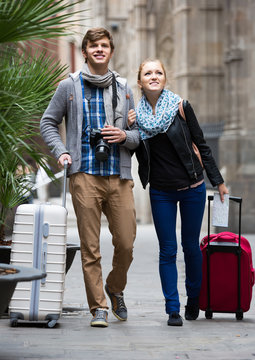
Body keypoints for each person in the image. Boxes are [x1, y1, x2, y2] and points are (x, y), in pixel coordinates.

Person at [40, 27, 140, 328]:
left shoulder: (123, 88)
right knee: (90, 246)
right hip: (84, 175)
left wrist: (123, 134)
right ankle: (98, 308)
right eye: (93, 45)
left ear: (111, 51)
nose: (99, 50)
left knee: (126, 242)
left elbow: (138, 136)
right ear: (85, 51)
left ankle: (114, 286)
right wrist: (61, 151)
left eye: (104, 45)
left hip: (118, 176)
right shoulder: (68, 87)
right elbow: (48, 122)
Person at [130, 59, 228, 326]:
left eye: (158, 72)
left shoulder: (181, 107)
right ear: (140, 82)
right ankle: (172, 308)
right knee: (167, 250)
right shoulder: (135, 117)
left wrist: (217, 181)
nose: (153, 76)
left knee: (190, 247)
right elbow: (132, 148)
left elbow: (202, 144)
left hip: (192, 188)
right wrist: (130, 127)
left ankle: (193, 299)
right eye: (147, 73)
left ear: (165, 78)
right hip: (161, 191)